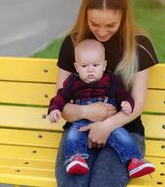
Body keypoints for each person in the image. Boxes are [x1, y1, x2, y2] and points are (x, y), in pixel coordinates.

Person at [55, 0, 159, 186]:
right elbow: (62, 107)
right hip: (79, 132)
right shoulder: (73, 44)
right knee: (73, 183)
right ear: (85, 15)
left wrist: (106, 126)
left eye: (111, 25)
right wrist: (87, 111)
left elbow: (137, 102)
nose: (102, 32)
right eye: (94, 24)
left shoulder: (139, 45)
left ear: (124, 17)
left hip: (125, 132)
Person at [48, 39, 155, 177]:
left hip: (107, 122)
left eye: (95, 65)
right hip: (82, 122)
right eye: (84, 66)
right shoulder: (73, 83)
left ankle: (135, 160)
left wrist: (127, 103)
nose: (90, 69)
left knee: (121, 135)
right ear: (76, 68)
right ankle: (75, 158)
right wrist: (54, 109)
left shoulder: (111, 80)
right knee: (73, 134)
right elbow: (60, 97)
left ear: (104, 65)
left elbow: (123, 94)